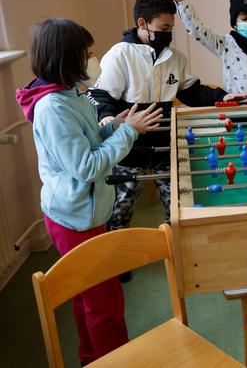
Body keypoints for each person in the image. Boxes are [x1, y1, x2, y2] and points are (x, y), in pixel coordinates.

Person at [16, 18, 162, 365]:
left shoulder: (69, 94)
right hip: (74, 218)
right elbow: (86, 166)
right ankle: (113, 360)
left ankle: (91, 357)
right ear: (67, 59)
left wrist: (115, 125)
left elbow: (88, 140)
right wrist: (129, 134)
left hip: (82, 213)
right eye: (87, 55)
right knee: (104, 302)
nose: (92, 62)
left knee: (85, 295)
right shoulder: (53, 108)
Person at [88, 0, 243, 249]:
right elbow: (101, 95)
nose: (168, 34)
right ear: (142, 24)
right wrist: (107, 118)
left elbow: (192, 90)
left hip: (165, 146)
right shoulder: (120, 55)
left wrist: (222, 97)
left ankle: (176, 253)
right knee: (120, 208)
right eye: (163, 28)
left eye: (171, 28)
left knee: (176, 206)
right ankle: (116, 257)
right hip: (128, 148)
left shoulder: (175, 57)